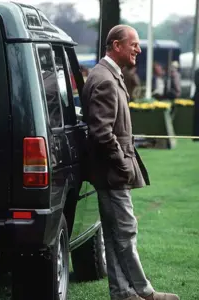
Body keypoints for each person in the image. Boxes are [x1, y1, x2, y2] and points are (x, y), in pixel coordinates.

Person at [81, 24, 180, 300]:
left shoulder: (108, 74)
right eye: (134, 44)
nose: (138, 49)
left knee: (114, 235)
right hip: (112, 172)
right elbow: (102, 132)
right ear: (116, 46)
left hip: (110, 171)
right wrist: (122, 164)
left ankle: (123, 293)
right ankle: (144, 292)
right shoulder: (104, 79)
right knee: (125, 231)